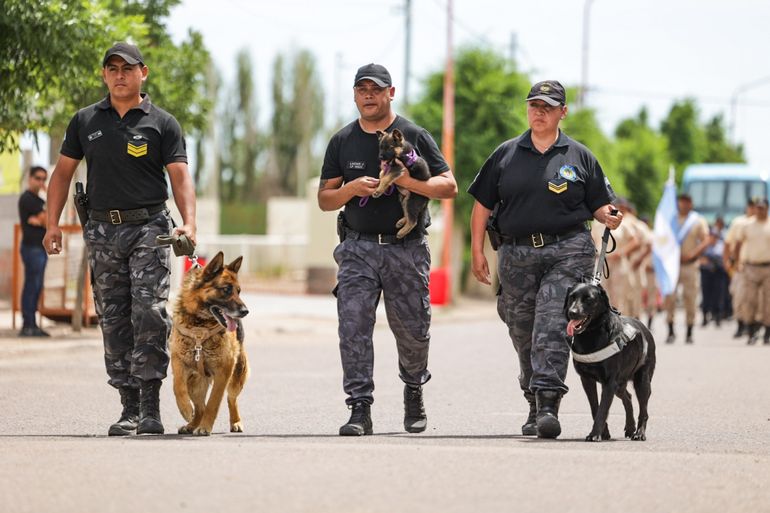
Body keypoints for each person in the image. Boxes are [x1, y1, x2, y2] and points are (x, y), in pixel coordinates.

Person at [43, 42, 197, 436]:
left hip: (150, 227)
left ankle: (150, 405)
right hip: (102, 230)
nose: (119, 75)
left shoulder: (162, 123)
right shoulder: (85, 121)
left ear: (143, 72)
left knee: (149, 311)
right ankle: (128, 407)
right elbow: (61, 175)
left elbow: (180, 177)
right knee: (113, 316)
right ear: (104, 74)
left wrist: (190, 223)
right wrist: (52, 225)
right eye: (112, 68)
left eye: (127, 68)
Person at [468, 80, 621, 439]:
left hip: (567, 250)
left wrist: (608, 215)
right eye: (534, 105)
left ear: (562, 112)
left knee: (553, 322)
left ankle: (549, 402)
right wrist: (477, 250)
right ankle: (533, 398)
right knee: (522, 329)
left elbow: (600, 203)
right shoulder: (505, 154)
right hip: (515, 253)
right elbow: (482, 205)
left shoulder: (579, 156)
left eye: (548, 107)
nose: (539, 112)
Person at [318, 63, 457, 436]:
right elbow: (325, 200)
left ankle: (413, 389)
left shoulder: (413, 134)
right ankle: (359, 408)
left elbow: (449, 187)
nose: (368, 95)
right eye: (362, 89)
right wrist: (351, 190)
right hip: (357, 250)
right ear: (354, 94)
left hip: (406, 250)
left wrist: (406, 181)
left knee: (413, 330)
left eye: (376, 89)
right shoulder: (342, 141)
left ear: (390, 93)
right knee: (353, 328)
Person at [663, 193, 710, 344]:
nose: (684, 204)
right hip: (672, 265)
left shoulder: (697, 221)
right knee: (669, 298)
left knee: (690, 298)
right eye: (681, 202)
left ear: (691, 204)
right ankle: (670, 330)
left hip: (690, 265)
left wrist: (692, 254)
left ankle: (689, 330)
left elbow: (705, 240)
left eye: (687, 202)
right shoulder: (670, 219)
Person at [18, 165, 51, 337]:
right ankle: (27, 325)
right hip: (31, 248)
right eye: (37, 178)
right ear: (30, 178)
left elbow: (46, 221)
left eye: (44, 179)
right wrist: (43, 218)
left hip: (40, 248)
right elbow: (46, 219)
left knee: (38, 286)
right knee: (32, 285)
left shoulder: (40, 201)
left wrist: (41, 218)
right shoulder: (27, 199)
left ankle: (33, 324)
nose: (41, 182)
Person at [733, 198, 770, 344]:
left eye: (762, 208)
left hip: (768, 267)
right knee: (749, 300)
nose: (759, 211)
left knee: (767, 302)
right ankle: (750, 330)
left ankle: (767, 331)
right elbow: (738, 244)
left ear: (767, 209)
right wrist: (736, 262)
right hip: (751, 267)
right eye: (757, 208)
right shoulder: (747, 225)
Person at [724, 199, 756, 338]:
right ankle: (740, 324)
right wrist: (727, 261)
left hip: (760, 266)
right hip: (741, 266)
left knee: (758, 299)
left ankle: (755, 325)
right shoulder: (739, 223)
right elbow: (728, 243)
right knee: (739, 296)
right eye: (752, 206)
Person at [699, 218, 729, 327]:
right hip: (706, 272)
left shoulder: (721, 246)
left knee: (718, 295)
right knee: (706, 294)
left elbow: (725, 257)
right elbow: (699, 257)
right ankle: (705, 316)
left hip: (718, 272)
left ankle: (718, 317)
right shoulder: (704, 246)